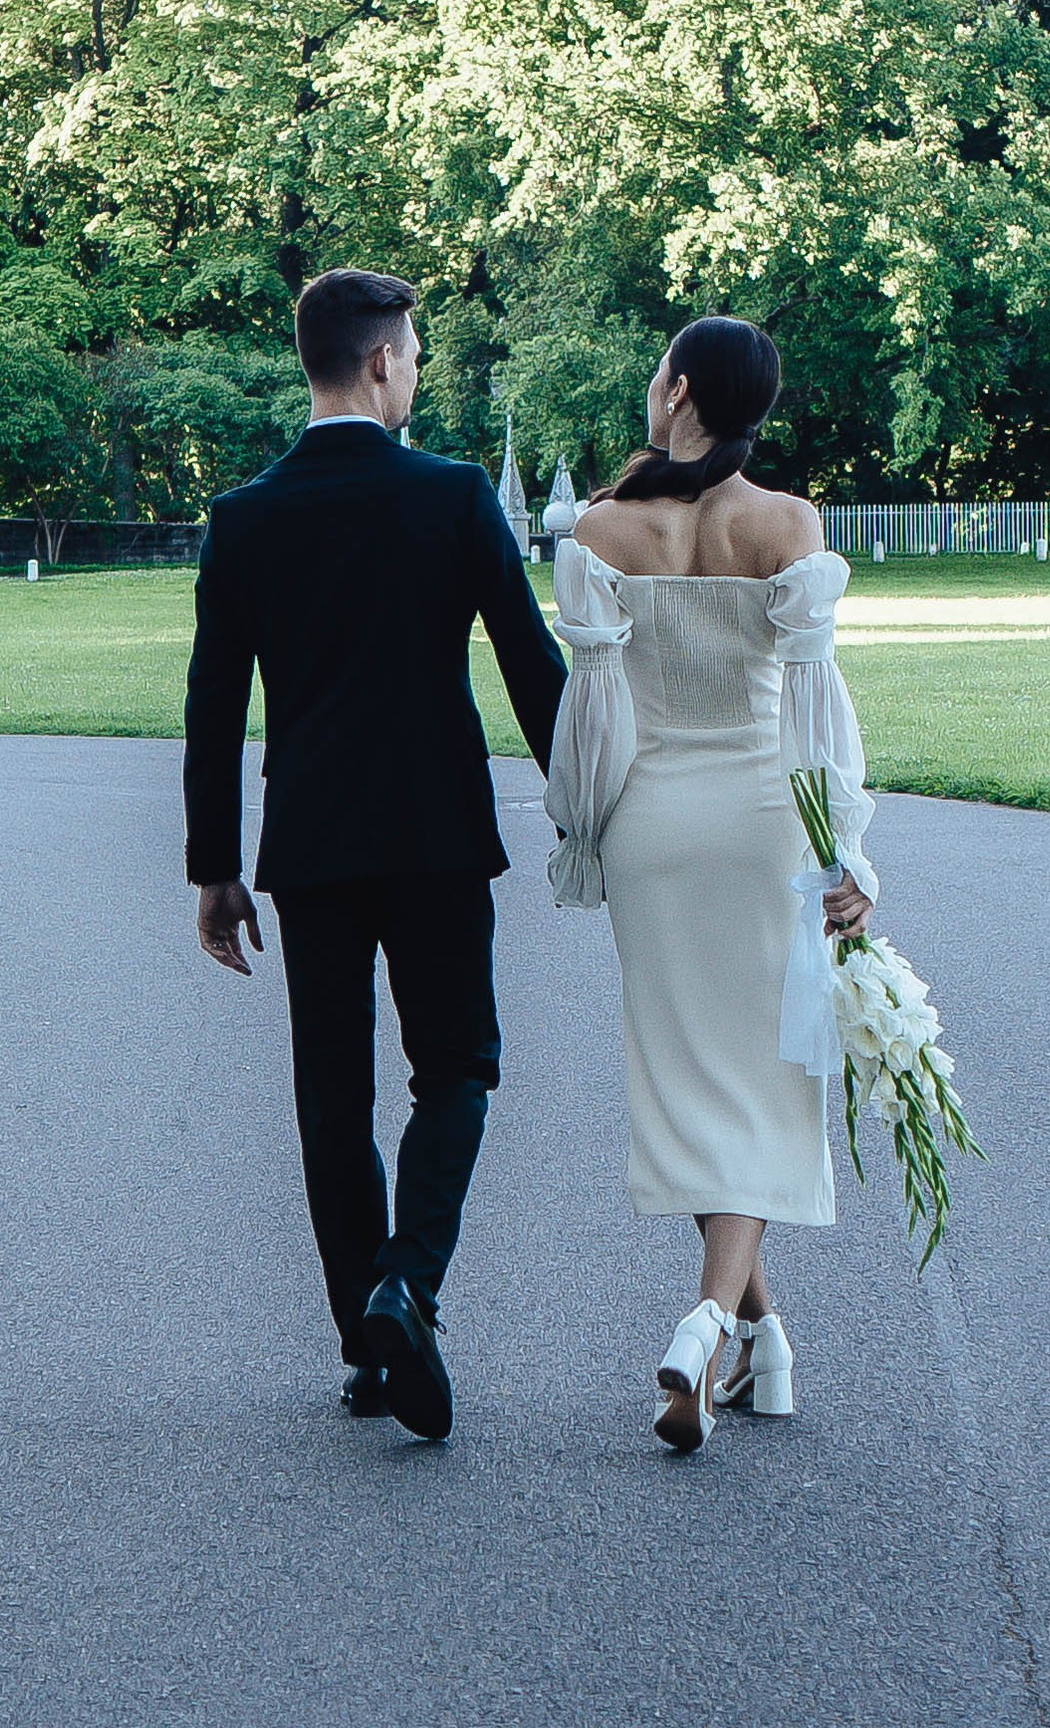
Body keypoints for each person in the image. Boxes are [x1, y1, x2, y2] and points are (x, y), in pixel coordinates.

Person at [184, 269, 565, 1442]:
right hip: (439, 834)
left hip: (311, 845)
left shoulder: (245, 518)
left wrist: (215, 865)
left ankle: (369, 1340)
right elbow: (528, 663)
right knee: (456, 1067)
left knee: (329, 1094)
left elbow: (213, 704)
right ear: (381, 363)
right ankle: (410, 1283)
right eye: (413, 354)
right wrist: (589, 799)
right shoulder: (453, 497)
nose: (416, 371)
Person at [543, 316, 874, 1453]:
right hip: (764, 828)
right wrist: (844, 854)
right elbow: (818, 718)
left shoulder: (598, 528)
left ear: (677, 387)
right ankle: (729, 1332)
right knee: (753, 1083)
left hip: (652, 828)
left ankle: (732, 1335)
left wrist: (582, 830)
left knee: (691, 1076)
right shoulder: (786, 524)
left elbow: (591, 713)